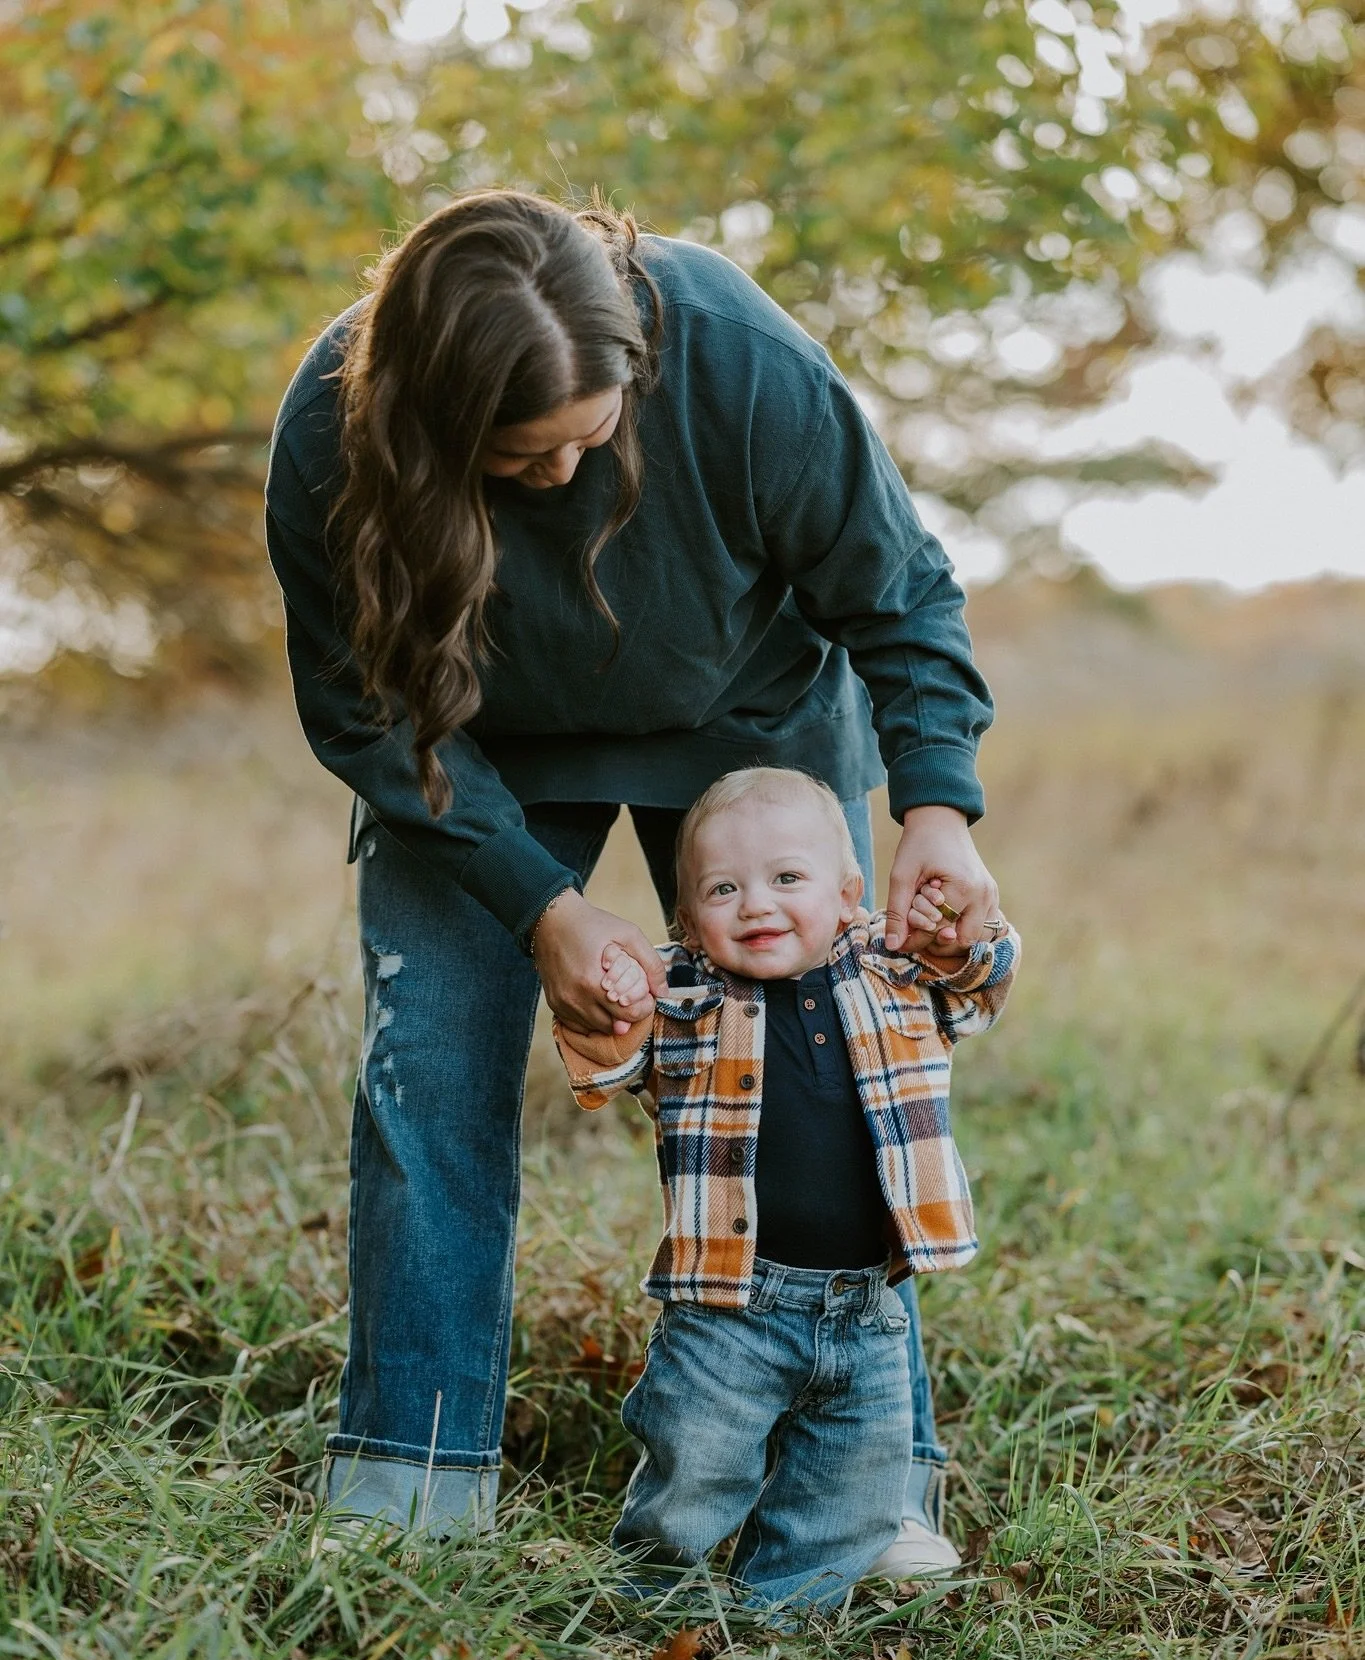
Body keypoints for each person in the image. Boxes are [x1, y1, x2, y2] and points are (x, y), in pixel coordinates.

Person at [263, 188, 1001, 1561]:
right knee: (429, 1068)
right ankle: (411, 1476)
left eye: (586, 442)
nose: (556, 482)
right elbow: (365, 709)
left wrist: (938, 810)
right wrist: (540, 904)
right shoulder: (329, 428)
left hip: (750, 717)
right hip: (469, 754)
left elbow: (898, 592)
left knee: (829, 1074)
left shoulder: (738, 356)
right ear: (430, 423)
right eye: (514, 460)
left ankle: (868, 1480)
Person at [553, 767, 1019, 1608]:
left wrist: (956, 932)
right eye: (723, 888)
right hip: (729, 1309)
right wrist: (619, 999)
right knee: (694, 1463)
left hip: (868, 1309)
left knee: (850, 1484)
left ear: (848, 896)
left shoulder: (896, 971)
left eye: (786, 879)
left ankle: (785, 1622)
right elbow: (607, 1062)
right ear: (688, 920)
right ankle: (655, 1600)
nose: (756, 905)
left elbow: (978, 982)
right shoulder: (684, 993)